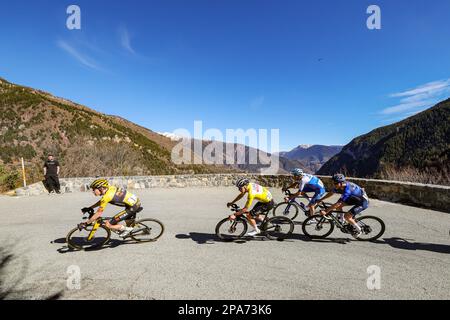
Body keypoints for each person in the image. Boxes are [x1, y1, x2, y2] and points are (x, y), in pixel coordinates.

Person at [78, 179, 142, 238]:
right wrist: (90, 208)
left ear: (101, 188)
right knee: (123, 221)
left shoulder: (107, 196)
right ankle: (131, 226)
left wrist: (86, 223)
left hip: (132, 207)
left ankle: (127, 229)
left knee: (108, 224)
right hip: (134, 203)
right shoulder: (110, 189)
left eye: (94, 189)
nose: (93, 191)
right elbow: (101, 202)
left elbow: (98, 213)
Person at [319, 173, 369, 238]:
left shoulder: (347, 190)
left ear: (341, 182)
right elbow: (331, 193)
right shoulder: (340, 185)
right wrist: (321, 199)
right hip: (354, 198)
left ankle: (359, 230)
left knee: (347, 216)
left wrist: (326, 211)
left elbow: (338, 203)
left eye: (336, 183)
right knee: (338, 206)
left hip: (362, 202)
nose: (334, 185)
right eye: (334, 183)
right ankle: (342, 221)